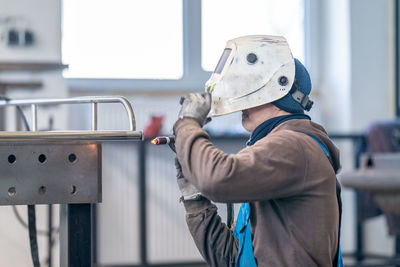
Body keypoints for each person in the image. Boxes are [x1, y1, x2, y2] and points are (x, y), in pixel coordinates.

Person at [173, 35, 343, 267]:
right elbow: (232, 259)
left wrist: (188, 124)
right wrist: (195, 199)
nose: (243, 103)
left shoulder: (294, 146)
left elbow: (218, 179)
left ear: (278, 89)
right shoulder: (276, 148)